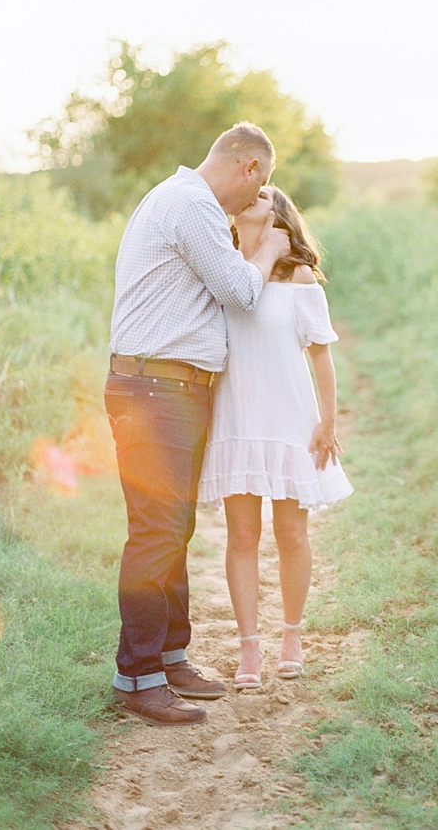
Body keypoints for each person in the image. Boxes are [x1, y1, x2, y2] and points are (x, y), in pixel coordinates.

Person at [105, 122, 290, 726]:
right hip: (156, 391)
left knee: (174, 527)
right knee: (157, 530)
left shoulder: (181, 200)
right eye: (258, 188)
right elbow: (240, 291)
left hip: (167, 390)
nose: (252, 202)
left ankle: (168, 656)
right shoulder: (193, 204)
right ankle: (137, 677)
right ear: (250, 170)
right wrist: (269, 251)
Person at [198, 185, 353, 689]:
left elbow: (321, 354)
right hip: (237, 422)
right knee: (242, 537)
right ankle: (248, 650)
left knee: (291, 535)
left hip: (291, 422)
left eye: (263, 191)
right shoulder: (220, 268)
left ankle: (291, 636)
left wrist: (327, 421)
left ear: (278, 213)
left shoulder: (298, 276)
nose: (250, 193)